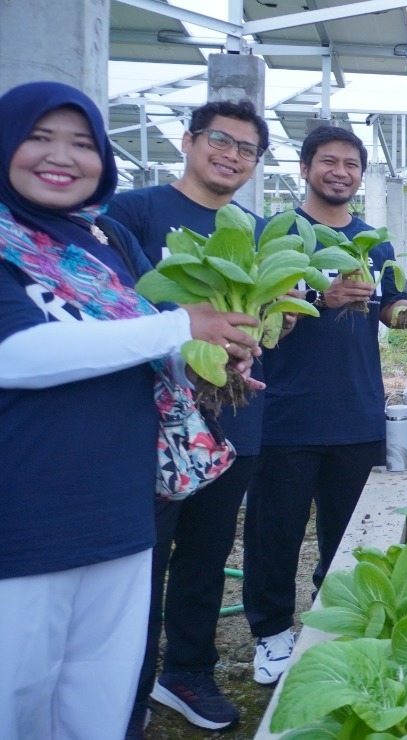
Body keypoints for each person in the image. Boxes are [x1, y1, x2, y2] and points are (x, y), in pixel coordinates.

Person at [0, 82, 257, 738]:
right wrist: (179, 332)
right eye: (39, 137)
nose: (62, 157)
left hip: (121, 507)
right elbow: (20, 355)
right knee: (18, 694)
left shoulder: (106, 239)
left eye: (83, 144)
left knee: (100, 692)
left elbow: (149, 334)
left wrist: (211, 363)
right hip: (26, 521)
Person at [244, 125, 407, 686]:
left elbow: (392, 313)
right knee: (274, 529)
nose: (341, 172)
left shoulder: (373, 241)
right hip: (285, 409)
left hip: (355, 408)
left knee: (350, 531)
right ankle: (272, 631)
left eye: (352, 164)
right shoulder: (276, 233)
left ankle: (334, 618)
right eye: (329, 162)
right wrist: (318, 299)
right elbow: (257, 312)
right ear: (304, 168)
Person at [106, 99, 272, 733]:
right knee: (141, 557)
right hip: (155, 422)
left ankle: (186, 674)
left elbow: (263, 316)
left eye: (246, 149)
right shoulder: (134, 211)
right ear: (189, 140)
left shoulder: (256, 227)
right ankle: (126, 686)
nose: (231, 156)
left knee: (205, 553)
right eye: (220, 141)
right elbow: (117, 305)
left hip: (234, 412)